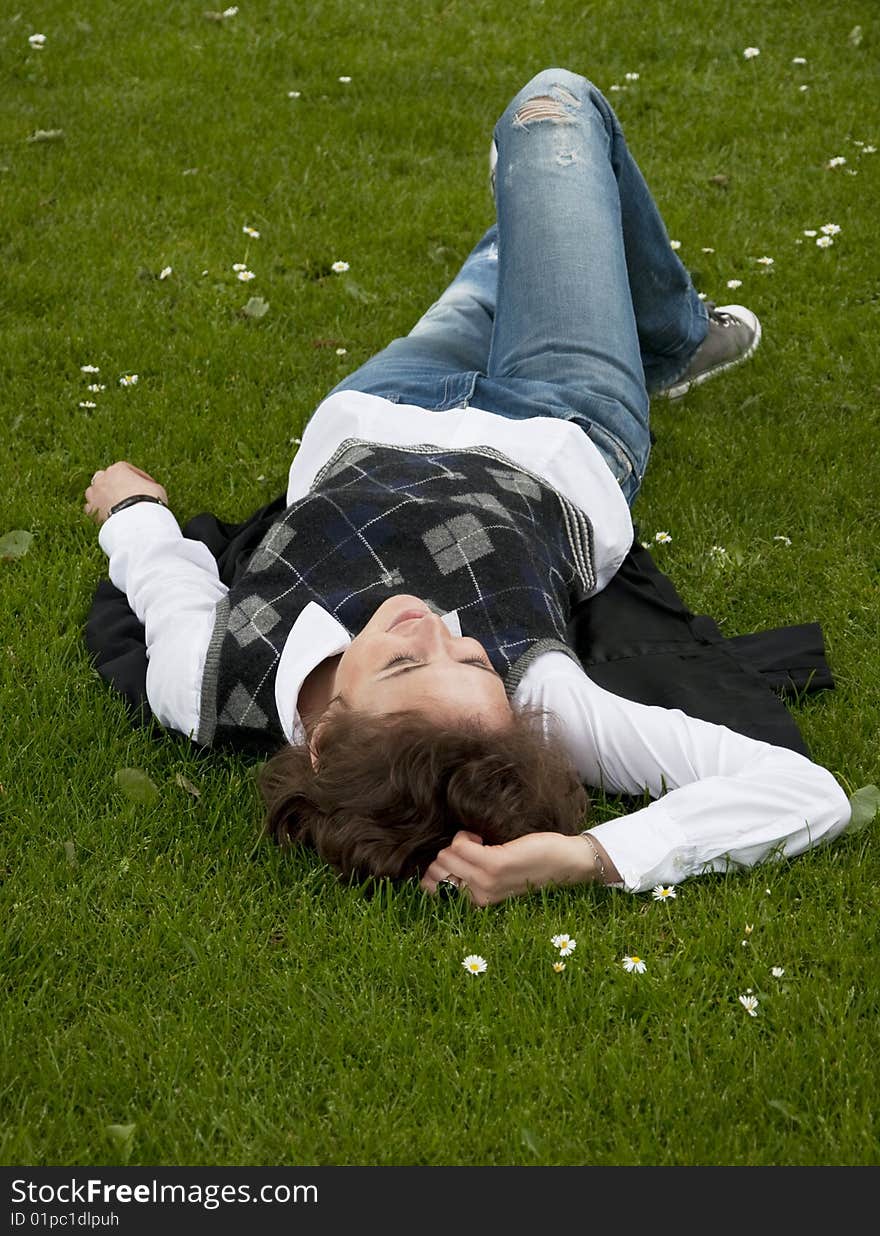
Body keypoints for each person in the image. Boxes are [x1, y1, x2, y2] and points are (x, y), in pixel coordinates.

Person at [83, 68, 852, 905]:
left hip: (384, 405)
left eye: (406, 662)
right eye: (472, 656)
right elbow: (806, 792)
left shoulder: (207, 679)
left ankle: (601, 284)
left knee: (526, 238)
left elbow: (167, 579)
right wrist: (585, 854)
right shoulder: (541, 700)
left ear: (325, 735)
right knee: (551, 112)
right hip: (560, 420)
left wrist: (130, 512)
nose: (434, 624)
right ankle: (662, 330)